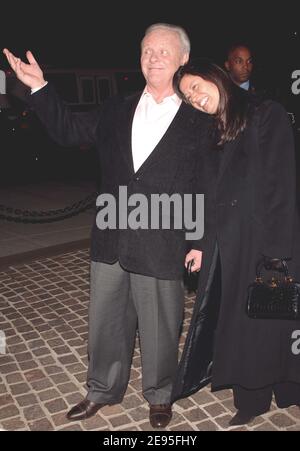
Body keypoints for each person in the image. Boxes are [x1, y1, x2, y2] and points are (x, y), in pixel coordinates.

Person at [3, 23, 207, 429]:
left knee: (162, 325)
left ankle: (160, 394)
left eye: (163, 51)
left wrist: (198, 238)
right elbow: (68, 131)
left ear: (183, 58)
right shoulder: (117, 108)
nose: (153, 58)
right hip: (112, 236)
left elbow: (206, 181)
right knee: (106, 322)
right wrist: (40, 88)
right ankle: (102, 390)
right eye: (147, 50)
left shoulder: (200, 118)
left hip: (164, 240)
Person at [172, 58, 300, 426]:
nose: (194, 98)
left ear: (214, 76)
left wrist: (277, 252)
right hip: (228, 246)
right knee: (243, 324)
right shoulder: (209, 130)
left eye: (195, 86)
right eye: (186, 96)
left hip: (269, 240)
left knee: (278, 319)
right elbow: (200, 190)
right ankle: (253, 398)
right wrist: (196, 242)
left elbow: (281, 182)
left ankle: (290, 388)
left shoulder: (265, 112)